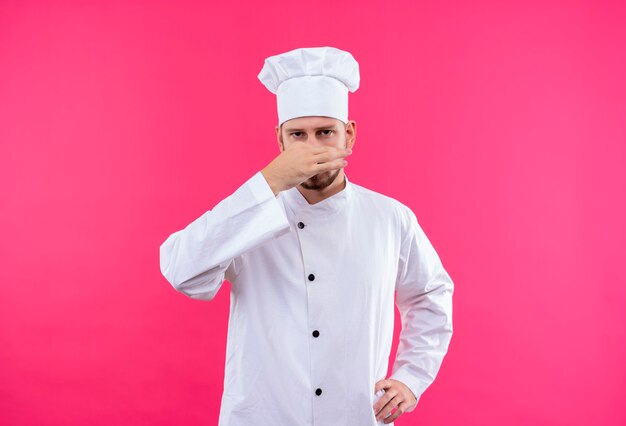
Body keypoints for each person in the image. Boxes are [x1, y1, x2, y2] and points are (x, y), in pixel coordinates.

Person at [159, 46, 454, 426]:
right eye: (298, 134)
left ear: (349, 136)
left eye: (325, 133)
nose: (312, 147)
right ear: (280, 142)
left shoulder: (390, 218)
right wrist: (267, 183)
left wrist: (412, 378)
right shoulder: (248, 217)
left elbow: (431, 295)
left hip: (354, 416)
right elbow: (182, 271)